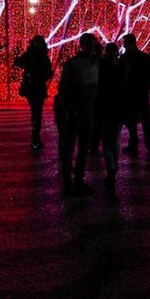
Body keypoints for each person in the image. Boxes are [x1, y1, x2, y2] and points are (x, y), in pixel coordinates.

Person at [57, 32, 100, 196]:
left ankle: (78, 180)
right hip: (75, 114)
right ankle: (68, 181)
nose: (92, 47)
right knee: (70, 148)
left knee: (83, 149)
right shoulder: (72, 64)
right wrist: (69, 108)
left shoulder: (96, 61)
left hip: (88, 113)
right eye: (89, 44)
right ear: (82, 45)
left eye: (93, 44)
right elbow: (62, 89)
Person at [95, 42, 130, 199]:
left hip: (104, 107)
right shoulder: (123, 66)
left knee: (106, 141)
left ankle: (111, 167)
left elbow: (97, 88)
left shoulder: (101, 67)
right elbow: (127, 88)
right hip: (119, 107)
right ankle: (115, 165)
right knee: (115, 138)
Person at [14, 34, 53, 150]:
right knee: (36, 111)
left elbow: (48, 71)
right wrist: (29, 65)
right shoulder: (31, 55)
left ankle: (35, 135)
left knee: (37, 111)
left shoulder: (43, 56)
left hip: (38, 86)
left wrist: (44, 73)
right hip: (32, 86)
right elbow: (18, 61)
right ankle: (35, 136)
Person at [121, 32, 150, 156]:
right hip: (140, 92)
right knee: (144, 119)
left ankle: (135, 143)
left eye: (124, 42)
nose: (123, 45)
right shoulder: (144, 56)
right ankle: (148, 145)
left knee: (134, 118)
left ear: (130, 43)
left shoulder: (125, 58)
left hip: (133, 92)